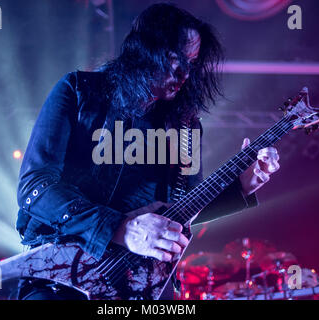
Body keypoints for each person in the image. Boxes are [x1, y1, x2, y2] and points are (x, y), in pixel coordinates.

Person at [15, 3, 280, 300]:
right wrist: (119, 228)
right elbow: (35, 188)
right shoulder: (78, 91)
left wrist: (243, 185)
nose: (183, 74)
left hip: (142, 282)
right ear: (144, 52)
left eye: (191, 64)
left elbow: (186, 208)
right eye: (173, 59)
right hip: (65, 278)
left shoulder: (184, 125)